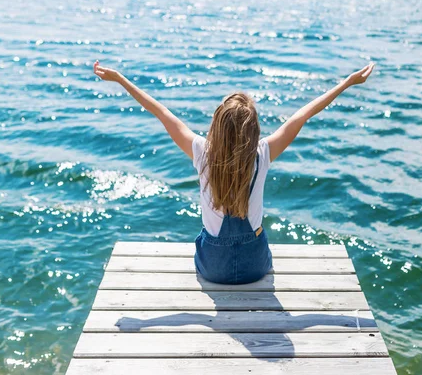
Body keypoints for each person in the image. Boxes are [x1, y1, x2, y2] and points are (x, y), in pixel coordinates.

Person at [94, 60, 375, 284]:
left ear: (216, 125)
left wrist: (120, 79)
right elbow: (301, 116)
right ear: (253, 131)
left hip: (212, 268)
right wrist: (347, 83)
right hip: (255, 266)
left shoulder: (201, 152)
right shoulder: (262, 154)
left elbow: (161, 112)